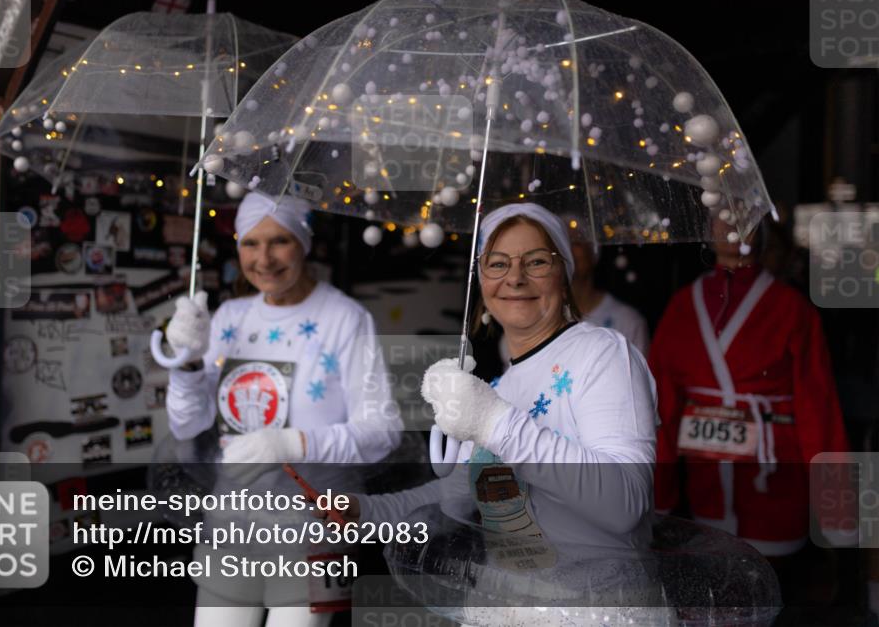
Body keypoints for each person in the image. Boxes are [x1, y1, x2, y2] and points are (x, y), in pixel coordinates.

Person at [324, 203, 661, 626]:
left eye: (536, 261)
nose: (515, 278)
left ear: (565, 272)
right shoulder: (499, 386)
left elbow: (624, 503)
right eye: (497, 263)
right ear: (481, 281)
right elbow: (452, 500)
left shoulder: (603, 353)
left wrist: (495, 424)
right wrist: (363, 511)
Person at [164, 192, 402, 627]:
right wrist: (188, 363)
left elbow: (383, 431)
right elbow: (186, 422)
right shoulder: (229, 317)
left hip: (314, 536)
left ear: (304, 243)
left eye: (279, 241)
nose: (264, 259)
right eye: (250, 243)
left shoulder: (345, 318)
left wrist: (293, 442)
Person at [649, 217, 855, 569]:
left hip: (773, 484)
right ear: (707, 227)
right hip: (704, 486)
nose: (732, 225)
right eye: (720, 217)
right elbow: (662, 411)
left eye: (745, 215)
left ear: (760, 227)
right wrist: (658, 494)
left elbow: (818, 409)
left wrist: (835, 509)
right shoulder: (682, 306)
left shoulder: (792, 308)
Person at [569, 237, 649, 355]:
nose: (568, 250)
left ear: (593, 252)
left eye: (576, 242)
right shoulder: (543, 318)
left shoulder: (628, 320)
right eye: (561, 243)